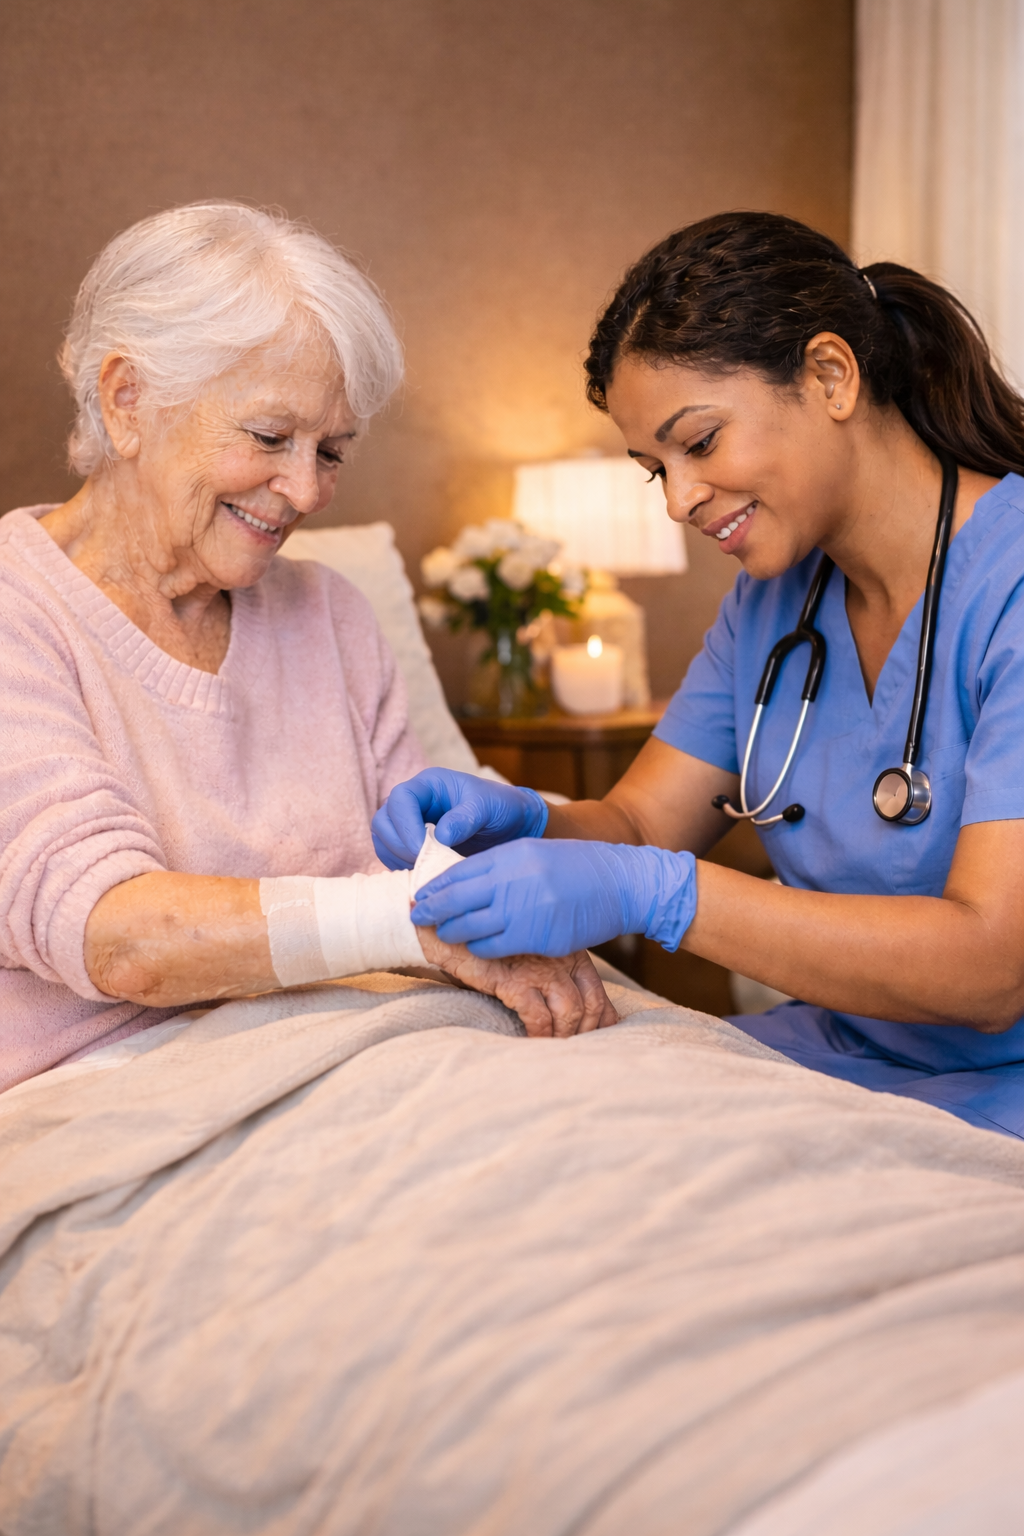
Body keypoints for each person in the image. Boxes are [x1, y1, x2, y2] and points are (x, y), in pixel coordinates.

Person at [373, 210, 1024, 1140]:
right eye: (654, 469)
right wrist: (523, 820)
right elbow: (638, 823)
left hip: (1003, 1086)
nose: (679, 500)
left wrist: (657, 892)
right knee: (531, 1125)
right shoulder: (776, 606)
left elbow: (992, 967)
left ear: (831, 376)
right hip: (845, 1059)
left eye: (701, 443)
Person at [0, 202, 615, 1091]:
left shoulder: (330, 612)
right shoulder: (19, 611)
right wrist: (415, 923)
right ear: (126, 399)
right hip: (121, 1086)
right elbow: (118, 939)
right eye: (268, 437)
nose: (306, 489)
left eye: (331, 450)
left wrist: (500, 894)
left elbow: (421, 874)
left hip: (383, 1048)